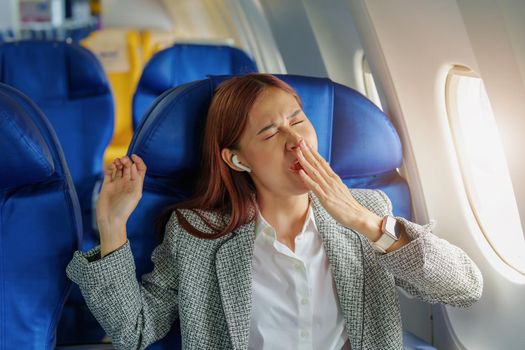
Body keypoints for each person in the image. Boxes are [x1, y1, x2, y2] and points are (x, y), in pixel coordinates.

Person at [66, 73, 483, 350]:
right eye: (269, 132)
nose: (294, 140)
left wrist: (365, 223)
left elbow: (464, 288)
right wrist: (112, 225)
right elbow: (134, 332)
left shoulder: (370, 213)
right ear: (237, 160)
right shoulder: (196, 234)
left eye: (298, 121)